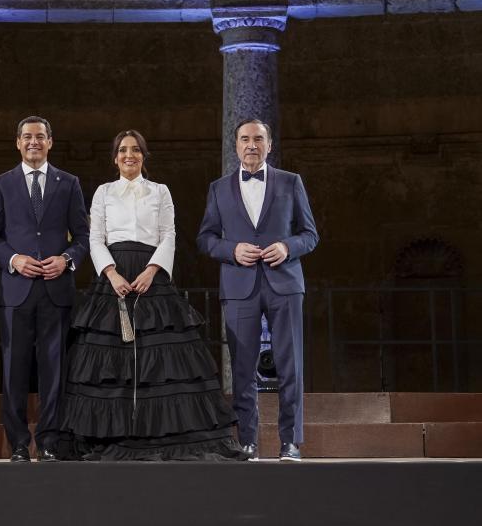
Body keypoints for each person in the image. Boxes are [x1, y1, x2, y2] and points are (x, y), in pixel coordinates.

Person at [59, 130, 246, 461]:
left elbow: (169, 234)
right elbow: (95, 237)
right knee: (110, 359)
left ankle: (162, 434)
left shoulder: (160, 191)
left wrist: (152, 270)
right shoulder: (103, 192)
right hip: (113, 277)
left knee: (163, 355)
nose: (129, 155)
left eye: (135, 150)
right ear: (114, 157)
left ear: (144, 156)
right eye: (122, 150)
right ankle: (114, 432)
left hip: (152, 277)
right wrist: (112, 273)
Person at [197, 118, 318, 462]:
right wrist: (232, 250)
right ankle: (247, 440)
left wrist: (287, 247)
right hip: (239, 286)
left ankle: (290, 442)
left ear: (269, 145)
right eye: (245, 139)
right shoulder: (218, 188)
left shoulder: (290, 182)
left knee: (290, 363)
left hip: (285, 284)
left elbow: (310, 234)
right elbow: (205, 238)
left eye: (258, 139)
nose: (251, 145)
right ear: (235, 145)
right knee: (242, 367)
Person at [0, 116, 90, 462]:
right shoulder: (0, 184)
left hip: (56, 289)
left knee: (54, 369)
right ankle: (17, 443)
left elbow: (85, 235)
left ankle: (48, 441)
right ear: (17, 142)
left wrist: (67, 259)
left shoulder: (68, 183)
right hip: (15, 289)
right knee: (14, 369)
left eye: (40, 137)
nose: (33, 142)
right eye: (27, 136)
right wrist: (13, 259)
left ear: (50, 142)